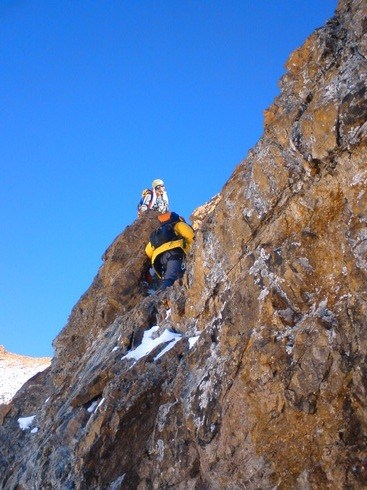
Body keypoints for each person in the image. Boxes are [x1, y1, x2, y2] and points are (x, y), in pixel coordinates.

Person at [145, 211, 194, 291]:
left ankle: (162, 296)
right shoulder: (179, 225)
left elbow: (148, 251)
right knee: (171, 279)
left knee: (170, 277)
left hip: (160, 260)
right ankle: (161, 300)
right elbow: (191, 236)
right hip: (174, 253)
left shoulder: (159, 232)